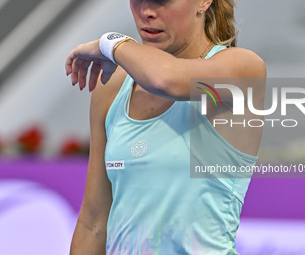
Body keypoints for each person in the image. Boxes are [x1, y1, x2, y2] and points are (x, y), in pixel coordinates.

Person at [65, 0, 266, 254]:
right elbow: (93, 224)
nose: (147, 11)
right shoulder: (112, 87)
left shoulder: (243, 69)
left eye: (162, 0)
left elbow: (163, 78)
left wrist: (110, 42)